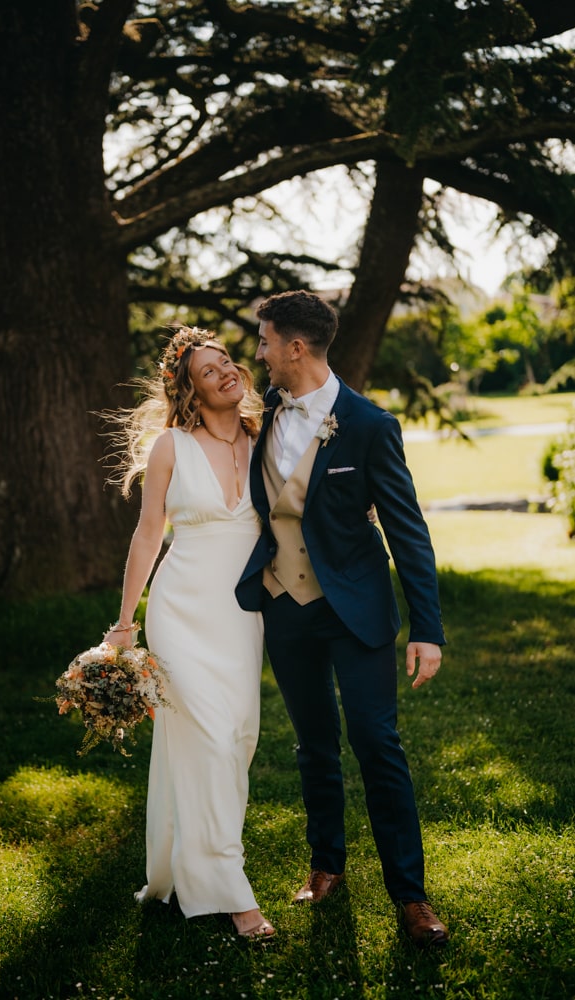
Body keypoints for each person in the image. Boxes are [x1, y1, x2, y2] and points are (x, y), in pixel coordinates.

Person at [236, 290, 449, 947]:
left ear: (295, 348)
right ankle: (326, 863)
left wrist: (426, 628)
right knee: (312, 746)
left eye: (266, 341)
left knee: (376, 745)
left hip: (355, 609)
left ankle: (410, 897)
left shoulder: (368, 425)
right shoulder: (254, 419)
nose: (260, 353)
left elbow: (407, 530)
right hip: (282, 604)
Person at [103, 326, 275, 939]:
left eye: (228, 360)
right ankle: (232, 891)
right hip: (179, 612)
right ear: (189, 391)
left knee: (239, 739)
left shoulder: (265, 437)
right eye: (210, 370)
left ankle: (181, 866)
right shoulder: (171, 447)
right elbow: (149, 535)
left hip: (241, 615)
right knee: (208, 738)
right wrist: (125, 624)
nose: (227, 371)